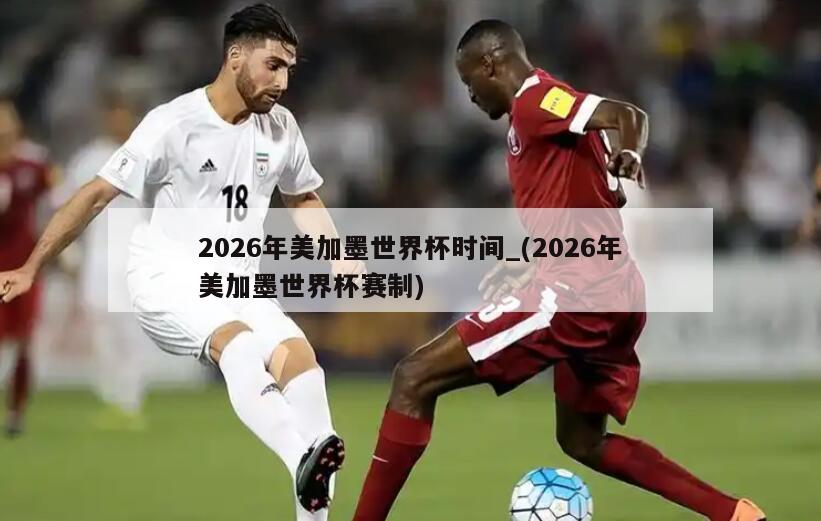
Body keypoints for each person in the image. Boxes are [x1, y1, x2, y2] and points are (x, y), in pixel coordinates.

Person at [351, 20, 766, 521]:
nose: (469, 94)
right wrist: (534, 262)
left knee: (413, 377)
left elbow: (627, 114)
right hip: (613, 290)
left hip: (576, 295)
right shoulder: (543, 117)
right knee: (582, 440)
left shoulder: (536, 100)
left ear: (490, 64)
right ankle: (734, 513)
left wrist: (629, 151)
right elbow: (584, 207)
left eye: (468, 80)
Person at [0, 4, 356, 519]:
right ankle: (300, 456)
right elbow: (96, 194)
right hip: (166, 282)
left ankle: (312, 501)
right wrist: (32, 266)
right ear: (236, 58)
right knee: (240, 346)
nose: (282, 81)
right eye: (273, 65)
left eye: (289, 70)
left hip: (235, 285)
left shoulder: (280, 127)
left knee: (305, 371)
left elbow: (301, 196)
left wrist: (338, 255)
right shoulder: (174, 124)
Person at [60, 93, 149, 429]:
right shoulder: (89, 159)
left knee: (130, 331)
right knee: (101, 331)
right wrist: (68, 251)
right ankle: (111, 397)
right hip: (98, 257)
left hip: (136, 257)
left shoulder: (148, 156)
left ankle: (130, 402)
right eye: (114, 115)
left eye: (125, 115)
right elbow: (68, 205)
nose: (119, 121)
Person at [0, 96, 54, 437]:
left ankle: (16, 412)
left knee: (22, 342)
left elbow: (55, 205)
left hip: (23, 271)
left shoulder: (33, 166)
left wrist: (58, 252)